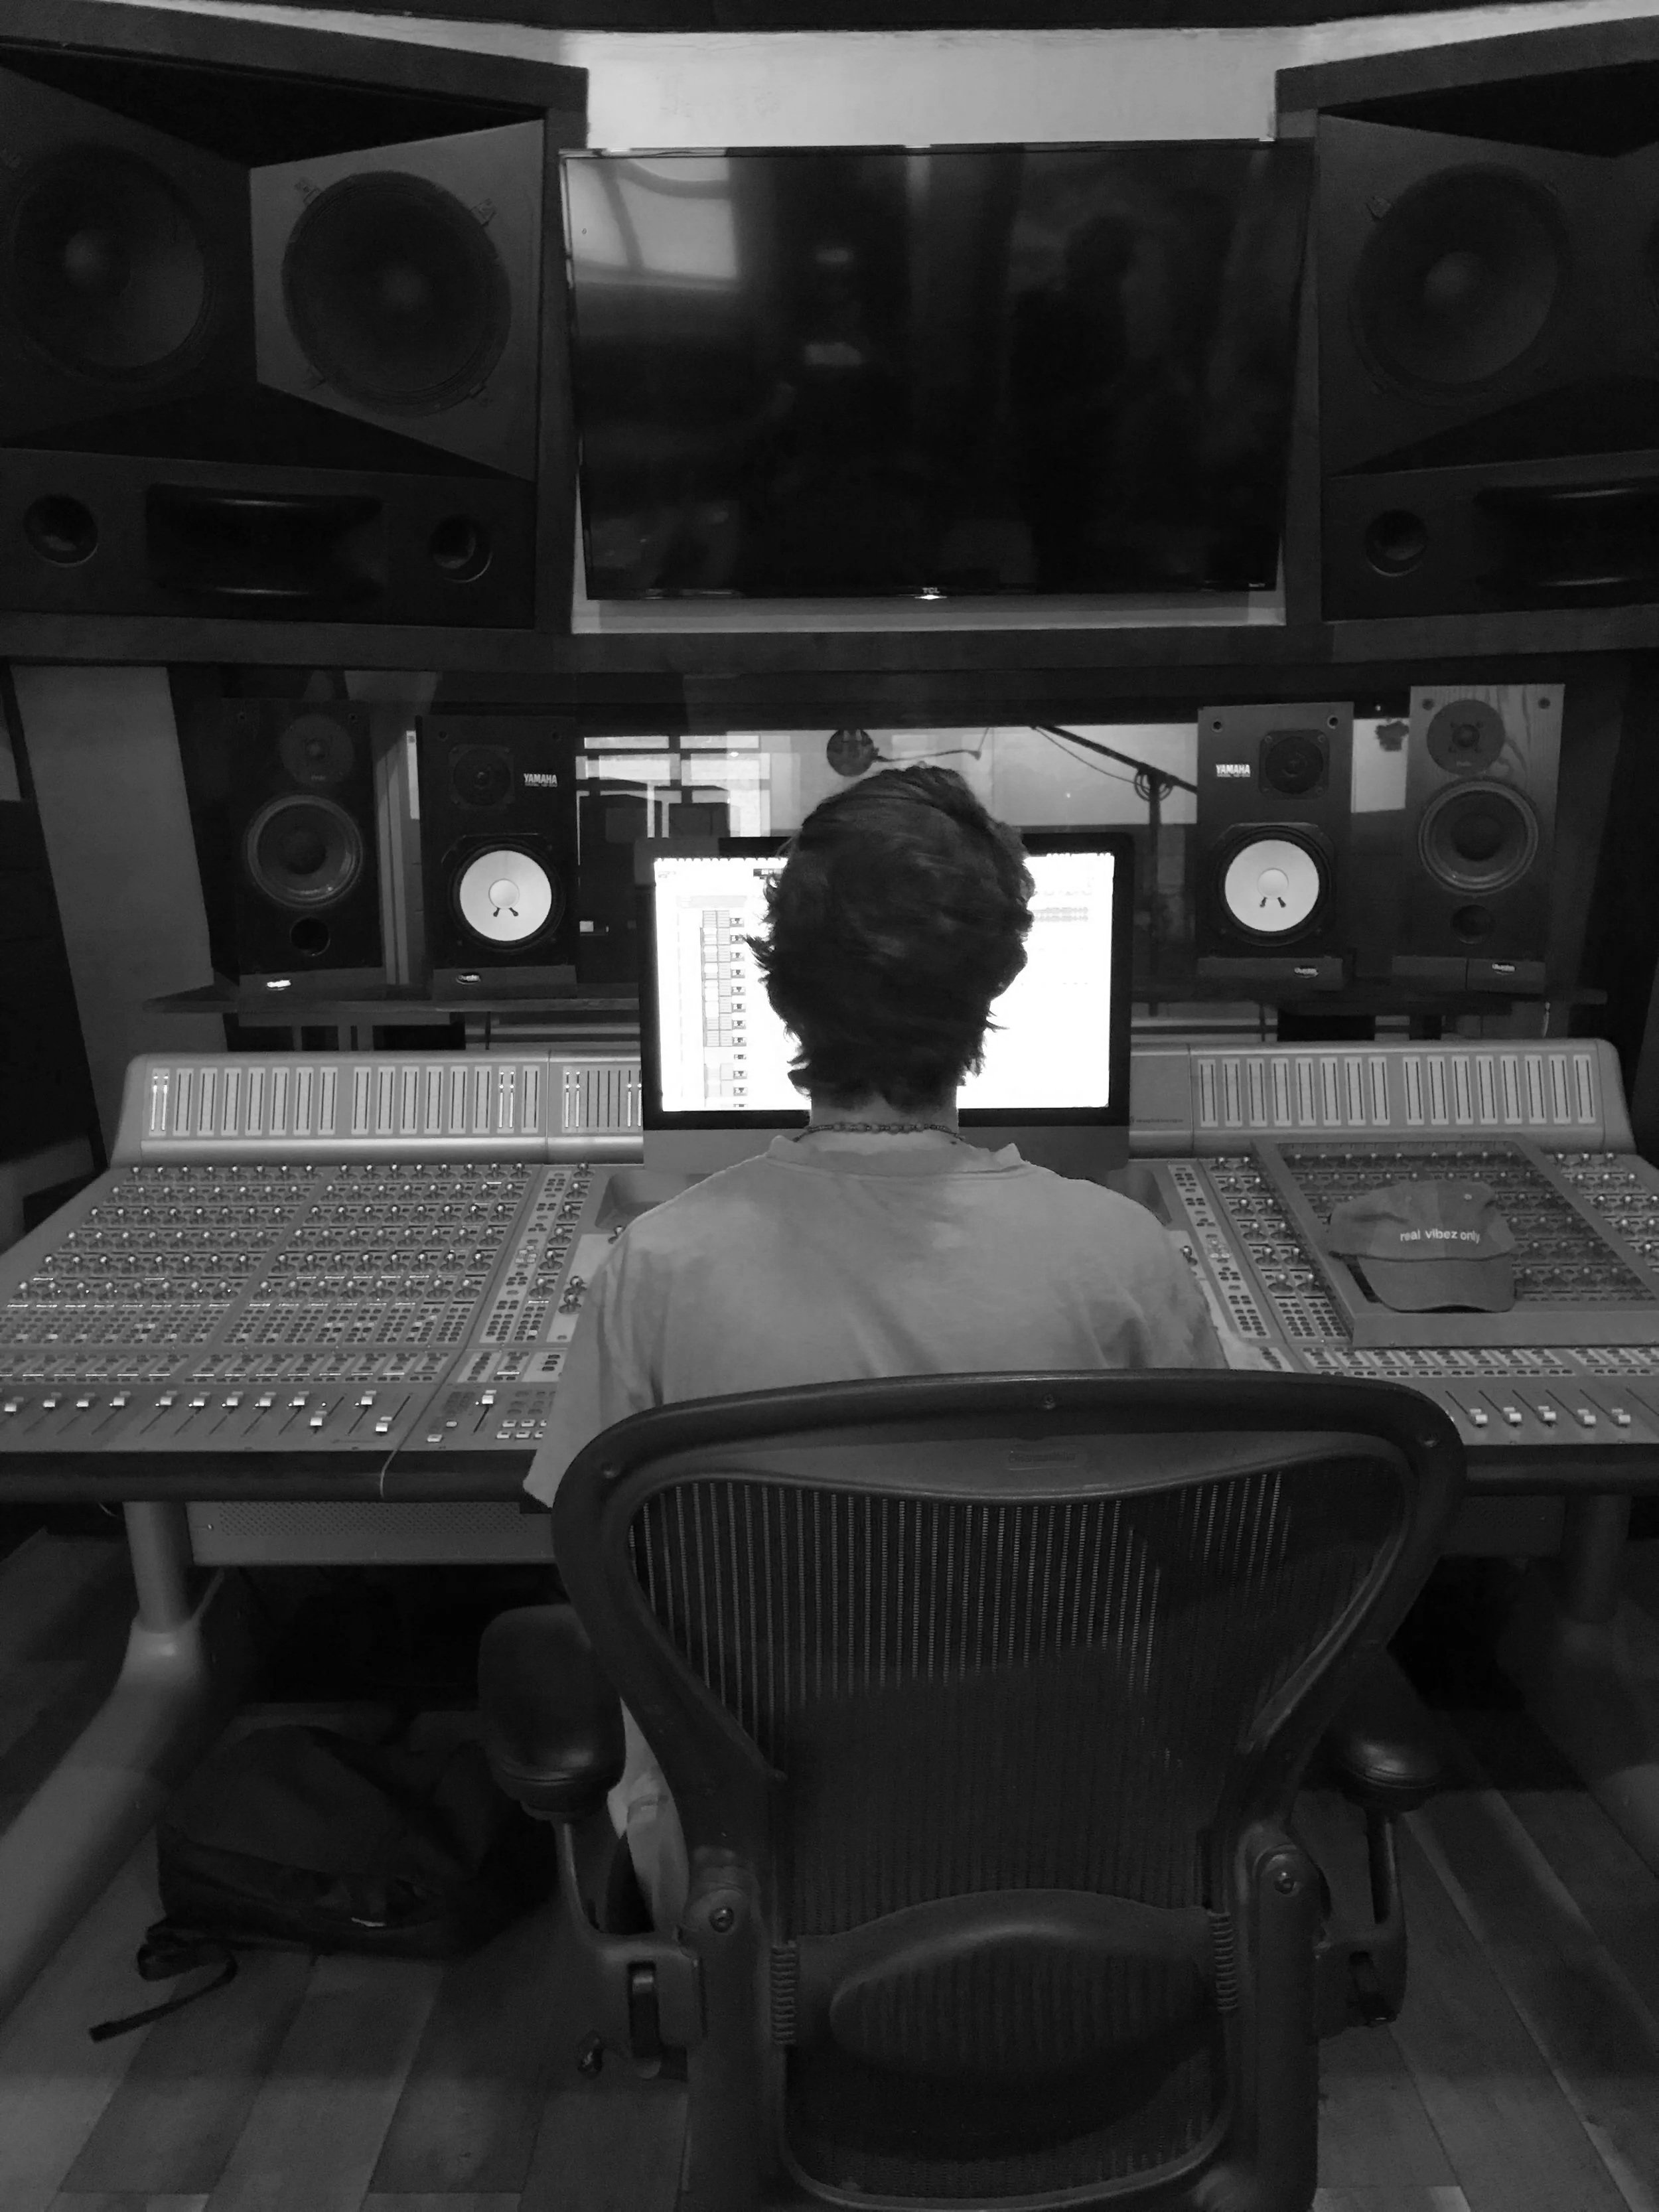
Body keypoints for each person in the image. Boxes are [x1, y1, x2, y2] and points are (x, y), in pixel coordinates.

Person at [522, 764, 1246, 1923]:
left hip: (748, 1879)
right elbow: (1213, 1535)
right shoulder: (1123, 1257)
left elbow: (592, 1554)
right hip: (1072, 1848)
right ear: (1002, 979)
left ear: (778, 992)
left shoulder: (656, 1267)